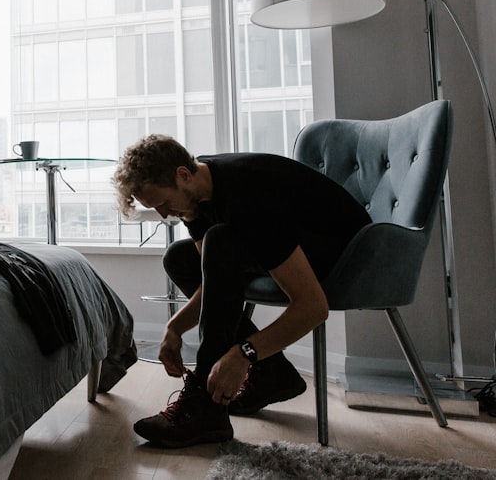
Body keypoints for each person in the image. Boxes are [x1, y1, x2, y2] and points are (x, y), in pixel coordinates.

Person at [112, 134, 371, 448]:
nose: (165, 214)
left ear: (183, 175)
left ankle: (207, 409)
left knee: (221, 241)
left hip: (350, 253)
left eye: (164, 203)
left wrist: (245, 354)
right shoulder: (195, 202)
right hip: (288, 239)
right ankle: (273, 372)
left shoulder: (248, 196)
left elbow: (313, 307)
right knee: (179, 258)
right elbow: (213, 280)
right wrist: (175, 327)